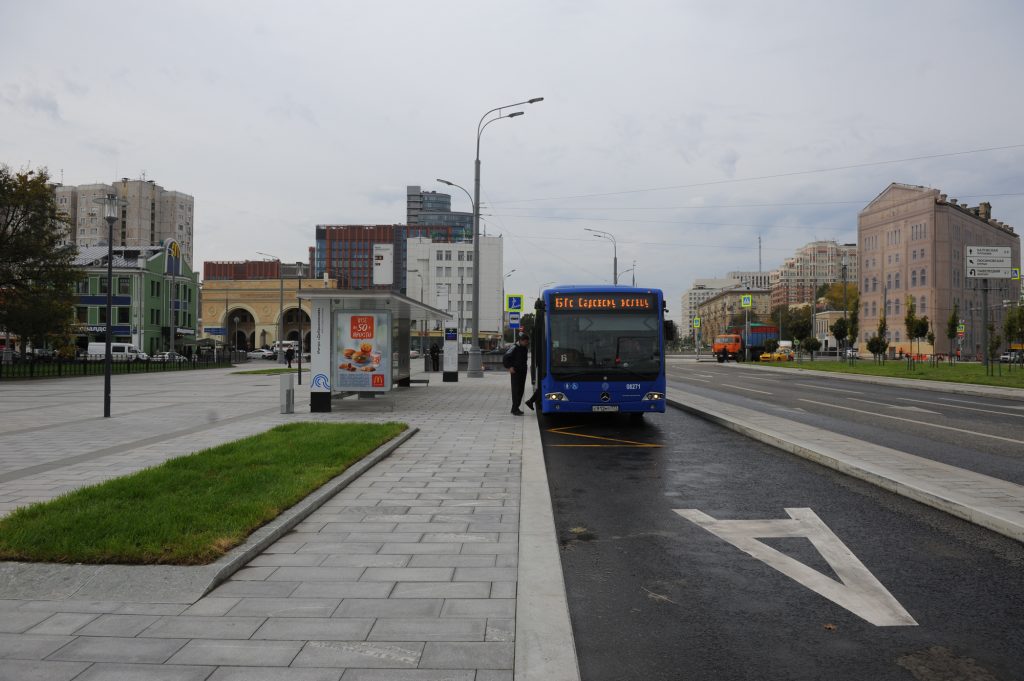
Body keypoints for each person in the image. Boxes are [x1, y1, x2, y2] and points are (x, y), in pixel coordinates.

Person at [503, 333, 530, 415]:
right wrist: (509, 367)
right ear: (521, 341)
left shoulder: (524, 348)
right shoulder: (514, 347)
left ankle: (515, 407)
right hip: (516, 372)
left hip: (523, 371)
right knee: (516, 390)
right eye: (525, 342)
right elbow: (505, 357)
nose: (526, 343)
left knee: (521, 390)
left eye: (527, 342)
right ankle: (515, 409)